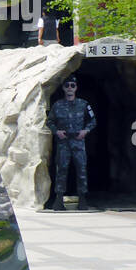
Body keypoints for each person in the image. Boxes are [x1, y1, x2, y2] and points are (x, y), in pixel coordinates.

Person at [46, 74, 96, 211]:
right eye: (67, 85)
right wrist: (57, 131)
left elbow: (93, 121)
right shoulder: (57, 105)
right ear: (63, 88)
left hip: (78, 142)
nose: (70, 88)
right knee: (61, 169)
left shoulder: (83, 104)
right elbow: (49, 121)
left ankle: (83, 199)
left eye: (72, 86)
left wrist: (86, 131)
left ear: (76, 88)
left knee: (81, 169)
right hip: (64, 142)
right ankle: (58, 199)